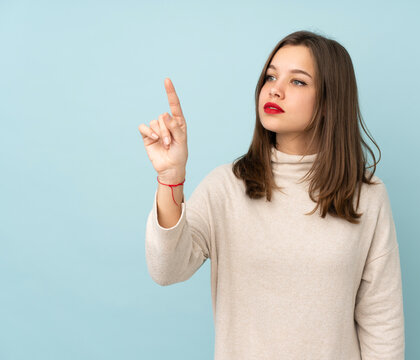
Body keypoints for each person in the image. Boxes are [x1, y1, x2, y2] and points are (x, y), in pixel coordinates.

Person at [138, 30, 405, 360]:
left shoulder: (367, 196)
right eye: (271, 76)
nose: (275, 89)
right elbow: (166, 270)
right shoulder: (226, 187)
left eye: (298, 82)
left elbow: (382, 326)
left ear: (328, 102)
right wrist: (170, 178)